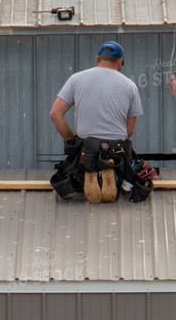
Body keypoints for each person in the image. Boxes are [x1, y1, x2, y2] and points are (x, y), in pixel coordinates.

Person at [49, 41, 144, 203]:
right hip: (117, 152)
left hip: (86, 149)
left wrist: (72, 141)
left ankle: (90, 170)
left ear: (97, 59)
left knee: (77, 162)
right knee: (125, 163)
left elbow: (55, 114)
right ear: (120, 61)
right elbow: (129, 131)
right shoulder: (130, 86)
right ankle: (111, 174)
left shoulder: (76, 79)